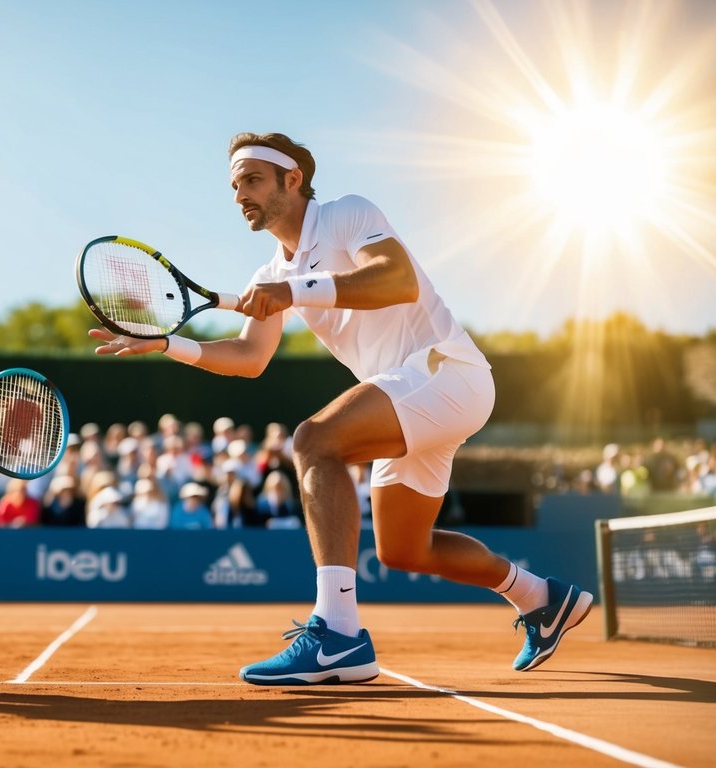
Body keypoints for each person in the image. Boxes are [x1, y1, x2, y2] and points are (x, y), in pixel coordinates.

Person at [90, 132, 592, 685]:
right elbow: (250, 356)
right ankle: (541, 598)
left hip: (445, 372)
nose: (240, 195)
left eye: (252, 180)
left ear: (292, 179)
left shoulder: (347, 214)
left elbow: (396, 280)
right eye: (235, 185)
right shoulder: (267, 276)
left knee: (313, 441)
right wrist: (168, 345)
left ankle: (338, 634)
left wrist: (297, 290)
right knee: (405, 548)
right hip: (412, 395)